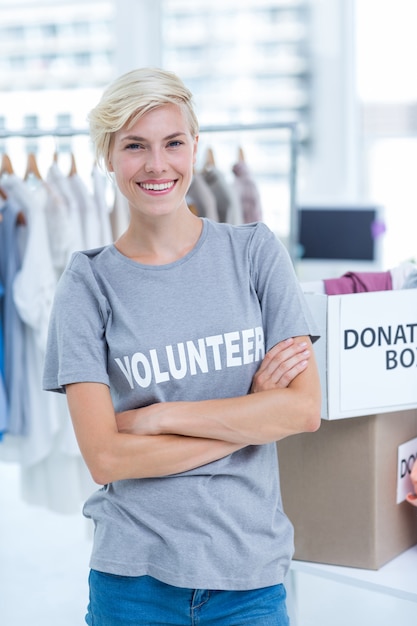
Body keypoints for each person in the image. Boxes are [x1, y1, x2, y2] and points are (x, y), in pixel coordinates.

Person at [42, 67, 321, 626]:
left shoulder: (255, 254)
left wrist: (159, 418)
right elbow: (106, 458)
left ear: (195, 147)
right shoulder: (87, 284)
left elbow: (302, 410)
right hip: (133, 585)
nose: (156, 164)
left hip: (251, 581)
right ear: (108, 156)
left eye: (173, 143)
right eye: (135, 146)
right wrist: (248, 416)